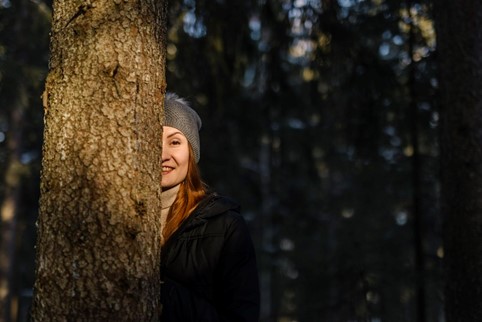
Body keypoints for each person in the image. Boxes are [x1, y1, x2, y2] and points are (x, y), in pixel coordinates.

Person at [160, 92, 260, 321]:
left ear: (191, 153)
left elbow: (240, 315)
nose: (163, 155)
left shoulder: (225, 225)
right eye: (152, 141)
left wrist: (163, 294)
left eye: (175, 142)